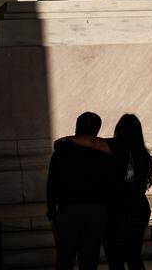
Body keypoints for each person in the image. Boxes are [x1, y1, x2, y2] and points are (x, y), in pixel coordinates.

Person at [58, 114, 152, 270]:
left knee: (115, 257)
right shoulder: (148, 159)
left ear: (119, 130)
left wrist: (66, 139)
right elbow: (145, 177)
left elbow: (92, 142)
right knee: (134, 256)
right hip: (139, 209)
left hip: (117, 211)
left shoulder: (114, 146)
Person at [46, 111, 114, 270]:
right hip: (96, 211)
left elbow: (52, 183)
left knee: (64, 259)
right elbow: (110, 183)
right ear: (97, 130)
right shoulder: (104, 152)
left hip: (67, 210)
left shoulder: (62, 150)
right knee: (89, 261)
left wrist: (52, 211)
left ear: (77, 127)